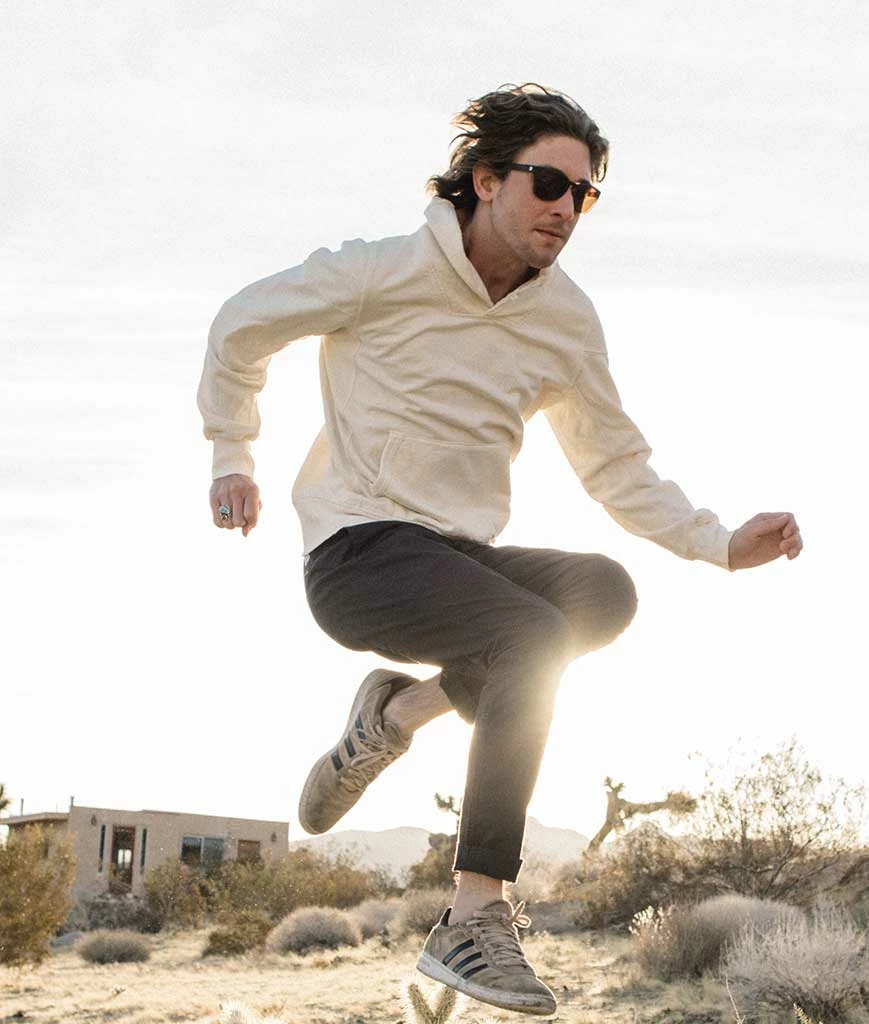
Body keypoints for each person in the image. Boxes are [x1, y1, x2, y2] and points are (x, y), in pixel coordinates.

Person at [198, 83, 802, 1015]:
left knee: (602, 595)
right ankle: (474, 915)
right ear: (485, 180)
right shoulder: (382, 270)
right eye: (548, 183)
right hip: (358, 550)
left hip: (457, 559)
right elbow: (240, 325)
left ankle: (397, 715)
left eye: (585, 194)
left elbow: (614, 463)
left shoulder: (566, 320)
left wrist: (718, 542)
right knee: (530, 636)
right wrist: (231, 453)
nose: (567, 208)